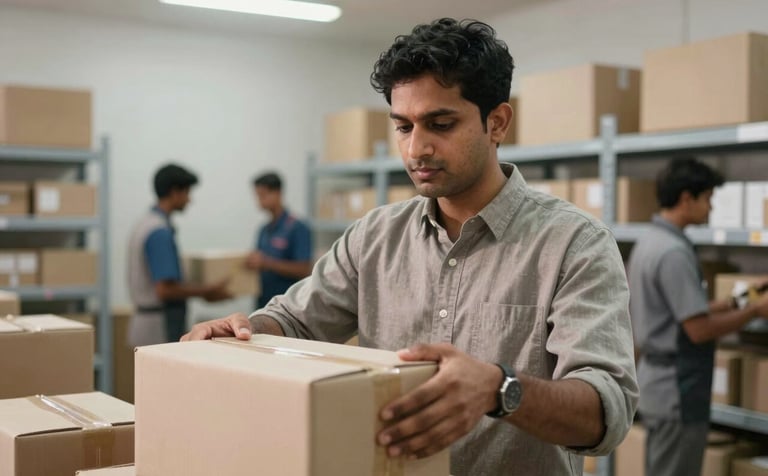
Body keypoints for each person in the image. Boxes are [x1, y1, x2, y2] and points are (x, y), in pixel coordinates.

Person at [184, 18, 638, 475]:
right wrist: (243, 330)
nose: (416, 149)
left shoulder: (574, 244)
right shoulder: (374, 236)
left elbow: (607, 409)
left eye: (440, 124)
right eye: (403, 127)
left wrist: (499, 390)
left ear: (496, 122)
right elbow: (294, 320)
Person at [627, 157, 768, 476]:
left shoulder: (651, 241)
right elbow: (698, 329)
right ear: (686, 198)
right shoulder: (673, 252)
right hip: (677, 389)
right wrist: (755, 312)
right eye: (707, 199)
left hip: (659, 385)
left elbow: (686, 308)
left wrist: (745, 298)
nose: (711, 208)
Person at [127, 163, 230, 346]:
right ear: (175, 192)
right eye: (187, 193)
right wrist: (208, 290)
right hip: (158, 327)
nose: (189, 200)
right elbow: (165, 290)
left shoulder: (145, 223)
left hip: (146, 323)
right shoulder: (159, 232)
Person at [245, 172, 313, 309]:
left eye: (263, 195)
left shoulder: (297, 228)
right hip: (263, 304)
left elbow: (304, 269)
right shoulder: (264, 230)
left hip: (287, 307)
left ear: (277, 193)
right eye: (257, 196)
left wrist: (267, 263)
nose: (259, 201)